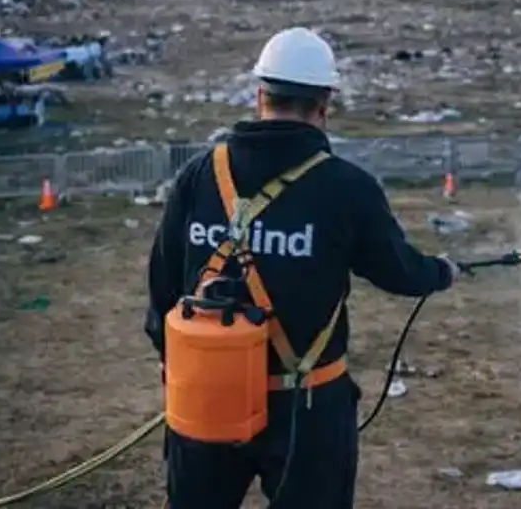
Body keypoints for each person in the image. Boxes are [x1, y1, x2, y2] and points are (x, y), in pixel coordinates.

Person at [145, 26, 461, 509]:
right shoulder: (346, 187)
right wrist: (442, 271)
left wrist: (177, 361)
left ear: (260, 96)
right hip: (306, 406)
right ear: (324, 105)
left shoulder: (200, 174)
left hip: (208, 392)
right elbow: (400, 272)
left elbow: (163, 284)